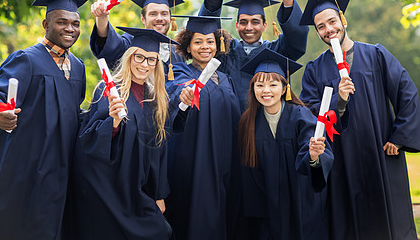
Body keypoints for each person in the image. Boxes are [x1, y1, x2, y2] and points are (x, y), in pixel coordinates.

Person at [0, 0, 91, 239]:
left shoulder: (78, 68)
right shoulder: (26, 60)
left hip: (60, 171)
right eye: (62, 22)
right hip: (24, 171)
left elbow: (74, 115)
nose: (70, 28)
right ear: (46, 24)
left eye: (75, 23)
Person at [299, 0, 420, 240]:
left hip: (380, 154)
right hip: (342, 161)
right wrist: (338, 100)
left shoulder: (376, 55)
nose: (328, 30)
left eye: (332, 22)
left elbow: (407, 95)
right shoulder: (315, 70)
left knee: (388, 225)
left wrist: (398, 138)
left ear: (343, 20)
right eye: (321, 27)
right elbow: (310, 112)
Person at [70, 27, 175, 240]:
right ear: (129, 57)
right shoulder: (109, 90)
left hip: (138, 190)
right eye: (139, 57)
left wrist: (159, 194)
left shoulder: (157, 100)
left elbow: (158, 150)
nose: (144, 64)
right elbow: (87, 141)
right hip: (108, 188)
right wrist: (113, 122)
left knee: (163, 232)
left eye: (151, 60)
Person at [238, 48, 333, 240]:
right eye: (259, 85)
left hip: (301, 202)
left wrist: (313, 155)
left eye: (273, 84)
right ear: (252, 88)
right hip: (267, 206)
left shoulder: (300, 115)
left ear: (284, 88)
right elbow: (248, 171)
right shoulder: (248, 121)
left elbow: (312, 149)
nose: (266, 91)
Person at [164, 15, 242, 240]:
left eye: (210, 41)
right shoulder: (181, 74)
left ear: (218, 43)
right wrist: (184, 97)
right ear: (188, 46)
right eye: (198, 42)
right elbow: (176, 92)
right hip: (195, 164)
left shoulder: (225, 79)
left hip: (226, 163)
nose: (205, 47)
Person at [198, 0, 309, 111]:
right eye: (243, 22)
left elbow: (297, 35)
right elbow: (205, 29)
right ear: (237, 26)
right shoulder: (224, 50)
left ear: (265, 26)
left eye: (255, 22)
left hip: (266, 127)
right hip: (228, 124)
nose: (249, 27)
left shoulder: (278, 51)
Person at [90, 0, 185, 75]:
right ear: (143, 18)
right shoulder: (131, 42)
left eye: (164, 14)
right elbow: (109, 44)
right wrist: (102, 17)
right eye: (153, 14)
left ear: (170, 18)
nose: (159, 18)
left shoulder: (177, 52)